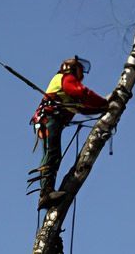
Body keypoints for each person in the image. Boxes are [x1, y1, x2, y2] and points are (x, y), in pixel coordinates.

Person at [30, 56, 109, 210]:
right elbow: (82, 93)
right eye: (80, 70)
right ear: (72, 68)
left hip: (51, 121)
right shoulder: (66, 79)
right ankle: (46, 192)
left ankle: (47, 192)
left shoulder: (66, 89)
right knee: (52, 154)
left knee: (54, 154)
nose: (82, 76)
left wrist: (103, 107)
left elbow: (84, 108)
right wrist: (105, 103)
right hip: (48, 120)